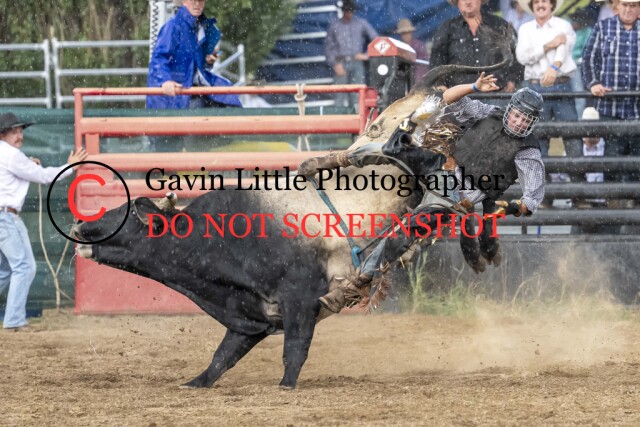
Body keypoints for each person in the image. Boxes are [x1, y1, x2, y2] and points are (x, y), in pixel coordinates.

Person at [299, 73, 546, 313]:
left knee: (408, 230)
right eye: (517, 115)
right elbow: (448, 98)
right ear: (510, 109)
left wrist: (512, 207)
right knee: (394, 149)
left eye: (525, 120)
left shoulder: (528, 152)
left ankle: (355, 285)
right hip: (441, 166)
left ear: (532, 123)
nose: (518, 122)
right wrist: (474, 86)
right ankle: (339, 159)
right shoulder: (489, 113)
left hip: (457, 196)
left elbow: (532, 199)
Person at [0, 113, 87, 331]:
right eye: (14, 132)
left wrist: (27, 164)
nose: (19, 135)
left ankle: (14, 319)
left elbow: (17, 170)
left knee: (7, 270)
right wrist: (71, 166)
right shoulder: (12, 155)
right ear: (3, 135)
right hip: (6, 217)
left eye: (20, 131)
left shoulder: (7, 154)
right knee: (23, 267)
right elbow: (44, 177)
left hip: (6, 216)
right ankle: (14, 320)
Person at [516, 0, 582, 207]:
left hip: (560, 84)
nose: (540, 4)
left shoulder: (563, 25)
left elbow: (564, 48)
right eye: (536, 1)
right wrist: (549, 46)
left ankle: (580, 193)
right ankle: (543, 195)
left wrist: (553, 66)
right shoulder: (525, 28)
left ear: (552, 5)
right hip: (536, 87)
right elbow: (522, 57)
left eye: (544, 0)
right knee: (537, 142)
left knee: (572, 139)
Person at [582, 0, 640, 196]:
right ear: (618, 6)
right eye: (625, 4)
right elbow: (589, 58)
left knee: (637, 158)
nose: (629, 9)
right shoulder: (603, 27)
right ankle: (614, 202)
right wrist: (593, 83)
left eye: (633, 5)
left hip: (638, 108)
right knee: (612, 157)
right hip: (610, 107)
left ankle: (635, 203)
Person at [430, 0, 522, 93]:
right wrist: (440, 84)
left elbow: (516, 53)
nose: (468, 2)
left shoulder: (499, 24)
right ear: (457, 2)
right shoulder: (447, 28)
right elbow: (437, 58)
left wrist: (513, 80)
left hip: (498, 92)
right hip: (460, 94)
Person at [324, 0, 378, 109]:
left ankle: (358, 115)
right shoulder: (335, 26)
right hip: (340, 62)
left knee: (358, 94)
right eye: (346, 11)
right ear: (343, 11)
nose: (348, 13)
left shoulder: (360, 23)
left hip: (356, 61)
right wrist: (335, 64)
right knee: (339, 94)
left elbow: (376, 39)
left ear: (353, 11)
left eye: (350, 11)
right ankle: (339, 116)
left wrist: (366, 55)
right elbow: (328, 47)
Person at [569, 8, 594, 116]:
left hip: (579, 65)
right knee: (566, 96)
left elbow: (587, 51)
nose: (575, 23)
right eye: (574, 20)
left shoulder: (587, 31)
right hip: (562, 65)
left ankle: (578, 121)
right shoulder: (566, 28)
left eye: (578, 21)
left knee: (579, 95)